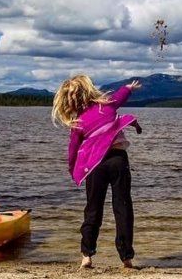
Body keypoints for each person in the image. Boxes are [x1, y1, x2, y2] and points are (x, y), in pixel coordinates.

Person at [52, 75, 142, 269]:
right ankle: (126, 257)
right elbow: (120, 97)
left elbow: (72, 150)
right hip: (118, 160)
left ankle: (87, 255)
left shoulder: (78, 122)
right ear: (89, 90)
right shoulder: (106, 106)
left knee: (93, 208)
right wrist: (128, 87)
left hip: (94, 166)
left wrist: (73, 170)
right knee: (123, 207)